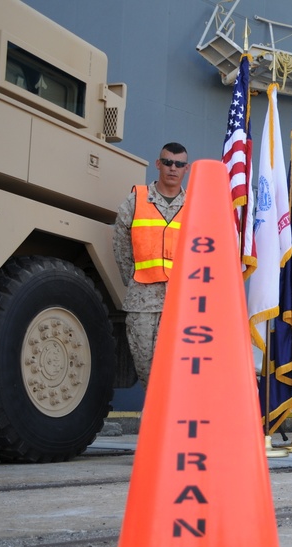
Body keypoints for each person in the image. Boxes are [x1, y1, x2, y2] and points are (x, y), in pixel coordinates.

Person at [113, 142, 190, 387]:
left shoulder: (194, 207)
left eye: (178, 164)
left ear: (186, 169)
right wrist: (133, 280)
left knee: (178, 368)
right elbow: (121, 244)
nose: (172, 168)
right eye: (167, 162)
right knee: (147, 368)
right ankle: (155, 420)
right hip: (143, 302)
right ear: (158, 164)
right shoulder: (136, 200)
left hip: (181, 303)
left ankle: (173, 421)